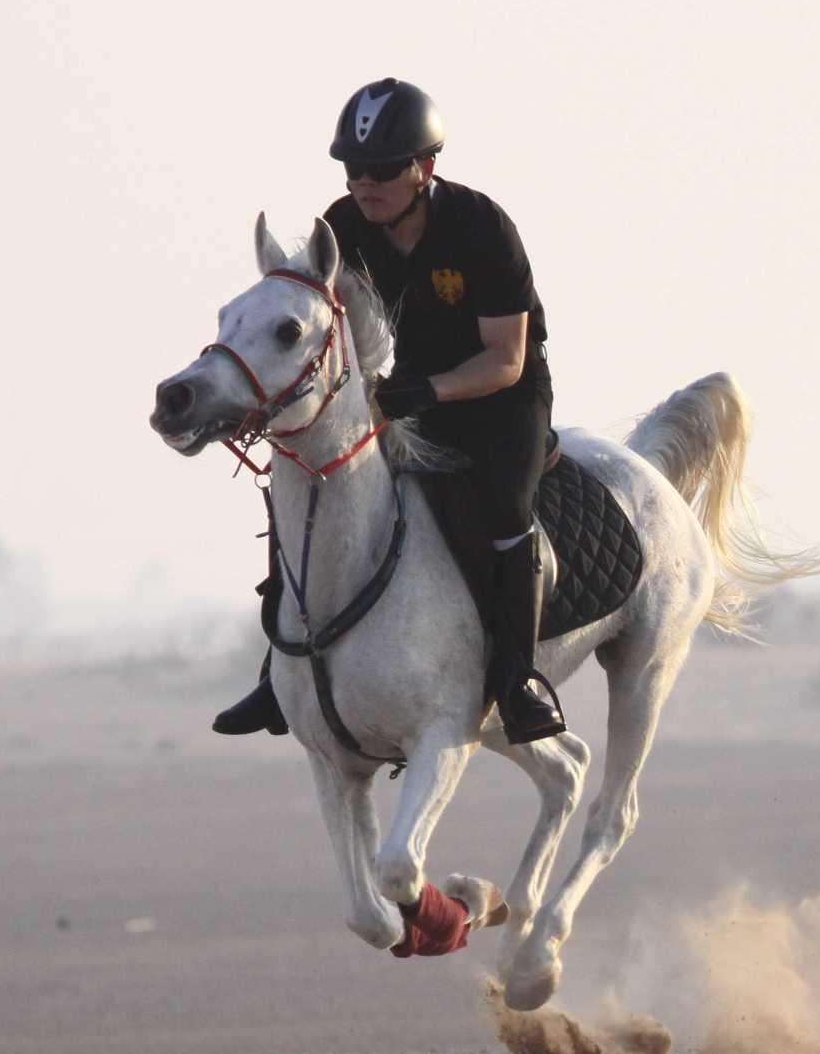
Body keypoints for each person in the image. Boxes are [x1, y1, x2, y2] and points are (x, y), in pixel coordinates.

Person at [213, 78, 566, 747]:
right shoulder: (342, 229)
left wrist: (425, 393)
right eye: (352, 170)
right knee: (308, 481)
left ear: (424, 168)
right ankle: (277, 673)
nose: (362, 185)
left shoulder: (482, 227)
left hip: (503, 395)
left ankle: (519, 681)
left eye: (379, 171)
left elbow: (506, 360)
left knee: (505, 507)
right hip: (403, 386)